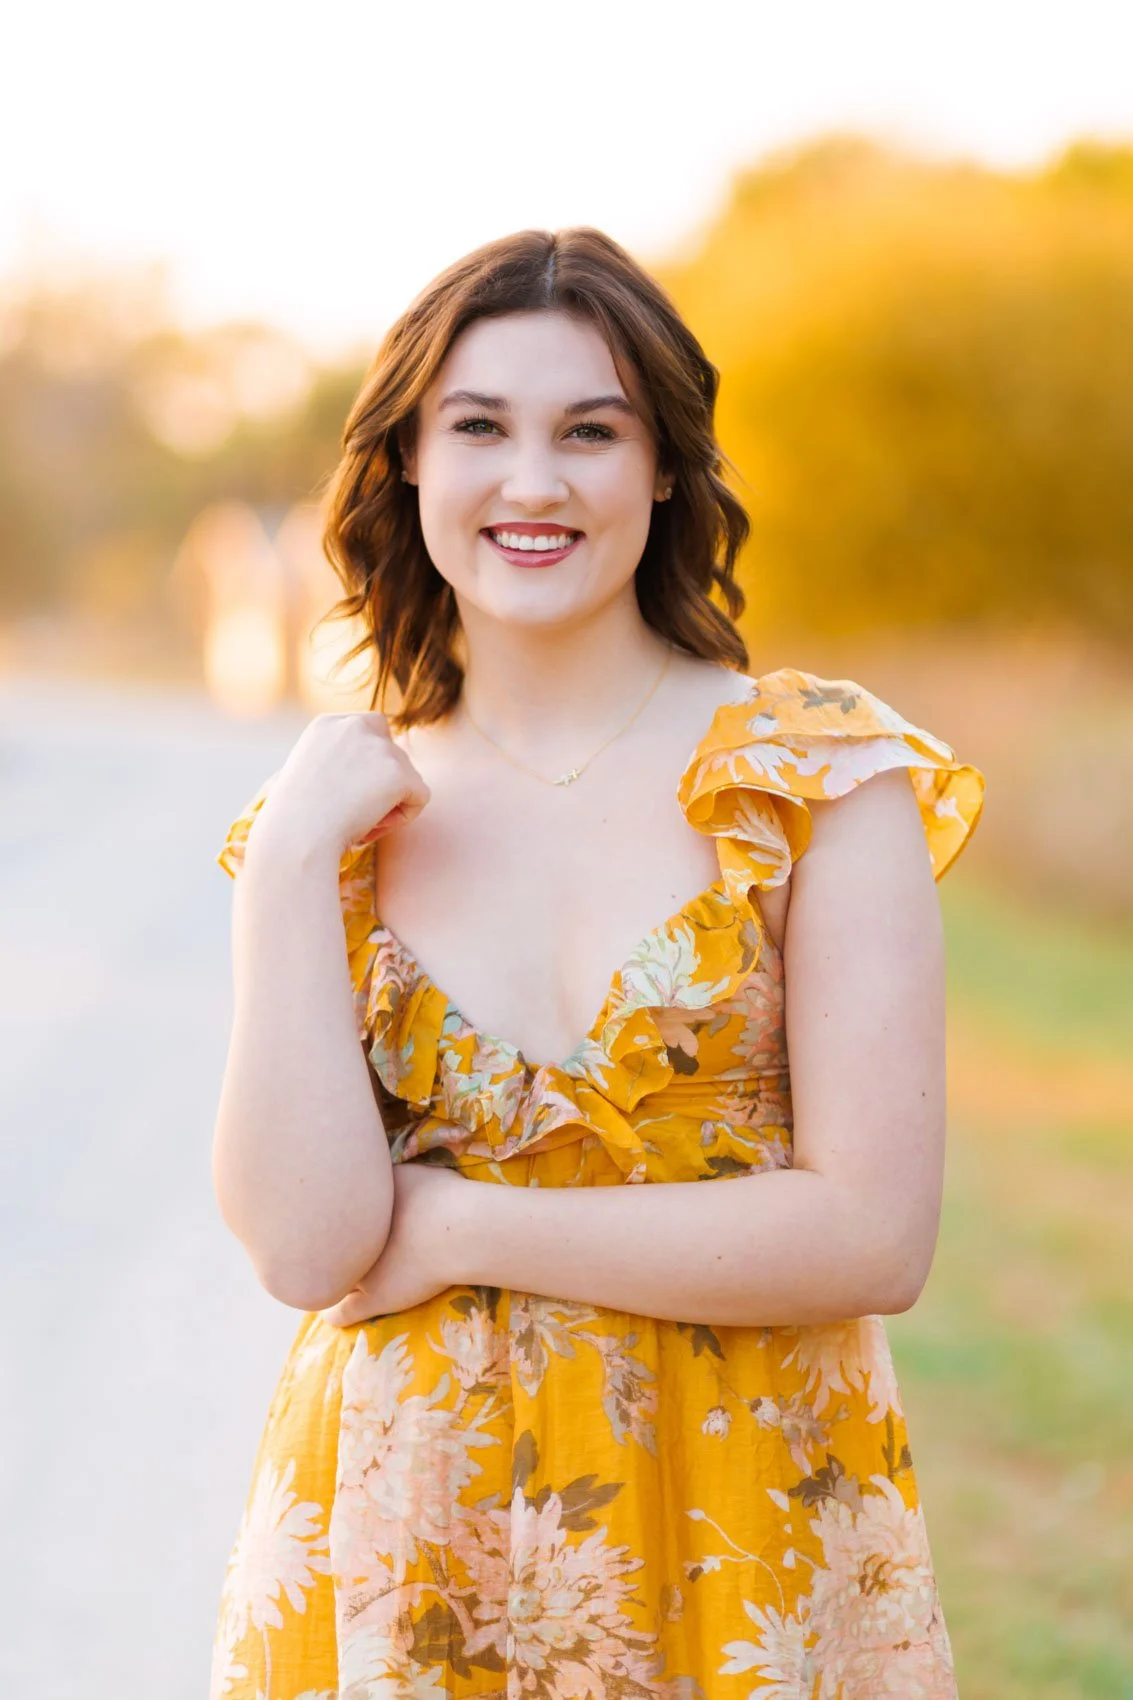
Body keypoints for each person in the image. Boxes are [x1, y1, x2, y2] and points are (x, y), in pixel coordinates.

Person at [208, 226, 985, 1700]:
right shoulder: (333, 824)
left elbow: (874, 1235)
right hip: (397, 1547)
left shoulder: (814, 780)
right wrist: (288, 873)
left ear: (668, 467)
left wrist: (455, 1232)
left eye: (592, 431)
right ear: (411, 469)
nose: (535, 481)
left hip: (748, 1539)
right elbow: (306, 1252)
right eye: (480, 427)